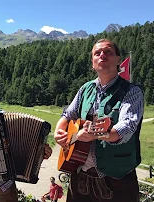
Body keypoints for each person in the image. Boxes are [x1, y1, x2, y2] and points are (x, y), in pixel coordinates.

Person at [54, 39, 144, 202]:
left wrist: (97, 134)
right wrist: (59, 132)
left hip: (117, 181)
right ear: (93, 63)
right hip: (80, 177)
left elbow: (127, 127)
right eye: (97, 53)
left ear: (118, 59)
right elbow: (67, 115)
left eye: (108, 51)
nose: (102, 55)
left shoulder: (132, 91)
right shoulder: (85, 89)